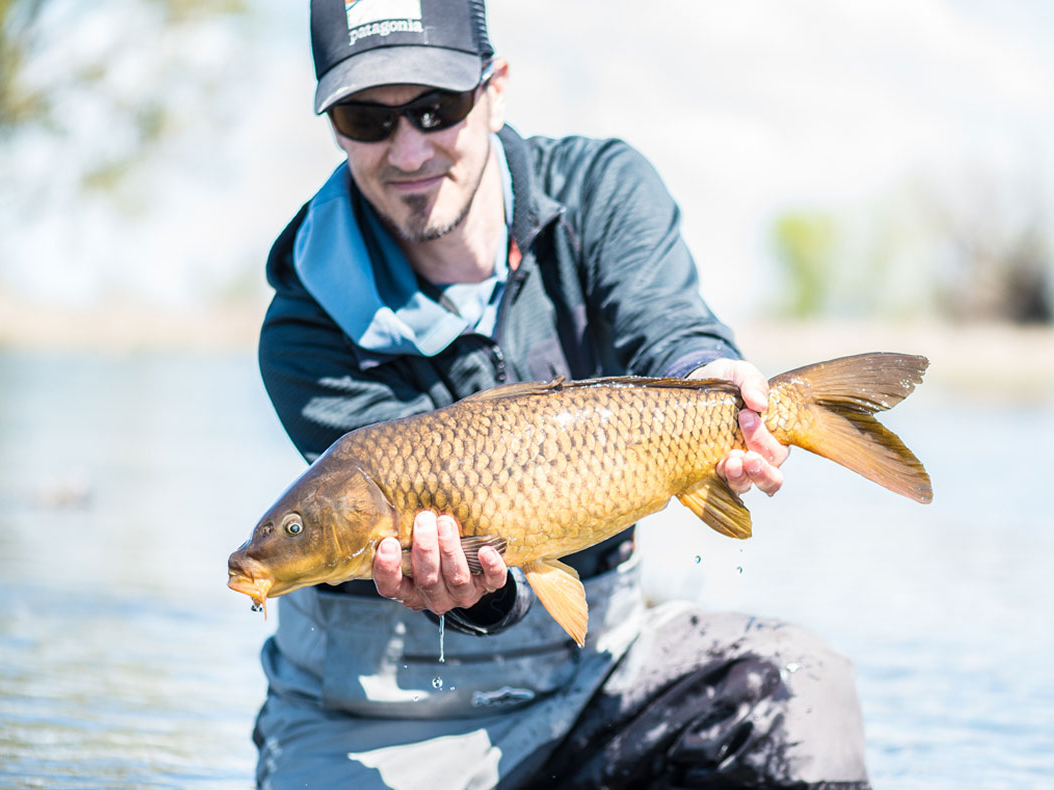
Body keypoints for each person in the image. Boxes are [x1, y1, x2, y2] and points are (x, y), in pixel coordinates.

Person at [251, 2, 871, 787]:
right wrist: (476, 594)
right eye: (366, 117)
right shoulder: (301, 323)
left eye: (436, 109)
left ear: (496, 88)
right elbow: (453, 572)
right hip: (378, 718)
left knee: (800, 685)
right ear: (334, 123)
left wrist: (712, 377)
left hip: (596, 673)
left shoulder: (603, 190)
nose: (407, 149)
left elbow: (671, 327)